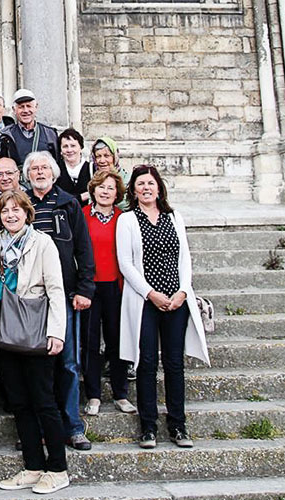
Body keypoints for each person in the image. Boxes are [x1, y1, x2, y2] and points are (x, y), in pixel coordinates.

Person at [117, 165, 209, 449]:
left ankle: (178, 426)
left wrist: (183, 291)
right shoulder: (128, 220)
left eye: (150, 183)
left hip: (176, 300)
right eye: (140, 184)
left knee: (174, 363)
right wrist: (150, 293)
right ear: (133, 190)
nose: (146, 188)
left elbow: (185, 258)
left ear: (159, 188)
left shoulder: (174, 217)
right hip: (145, 300)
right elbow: (126, 264)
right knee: (146, 363)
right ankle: (148, 427)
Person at [0, 190, 70, 495]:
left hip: (35, 328)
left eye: (16, 210)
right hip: (5, 332)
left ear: (26, 213)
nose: (11, 215)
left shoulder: (42, 243)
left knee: (44, 401)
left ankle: (58, 468)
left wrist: (56, 332)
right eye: (5, 211)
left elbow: (56, 289)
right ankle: (33, 466)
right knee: (19, 403)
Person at [25, 151, 95, 451]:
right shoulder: (21, 205)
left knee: (67, 363)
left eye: (44, 168)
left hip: (64, 295)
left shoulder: (68, 204)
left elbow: (83, 248)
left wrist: (85, 288)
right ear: (27, 175)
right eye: (34, 168)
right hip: (30, 299)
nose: (39, 172)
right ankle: (40, 427)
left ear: (53, 173)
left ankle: (73, 426)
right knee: (35, 366)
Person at [81, 170, 136, 417]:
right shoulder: (82, 216)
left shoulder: (124, 219)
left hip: (117, 286)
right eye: (101, 187)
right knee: (91, 344)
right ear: (93, 190)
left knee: (117, 341)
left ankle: (120, 393)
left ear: (118, 193)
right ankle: (93, 395)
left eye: (110, 188)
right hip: (91, 287)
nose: (105, 191)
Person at [2, 89, 60, 168]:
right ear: (14, 110)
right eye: (21, 107)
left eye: (29, 106)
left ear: (36, 107)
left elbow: (57, 163)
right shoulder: (6, 135)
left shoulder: (50, 134)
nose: (26, 110)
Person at [55, 128, 92, 206]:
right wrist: (80, 197)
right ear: (60, 150)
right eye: (65, 146)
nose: (69, 150)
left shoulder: (91, 169)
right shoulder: (55, 170)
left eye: (73, 146)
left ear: (80, 147)